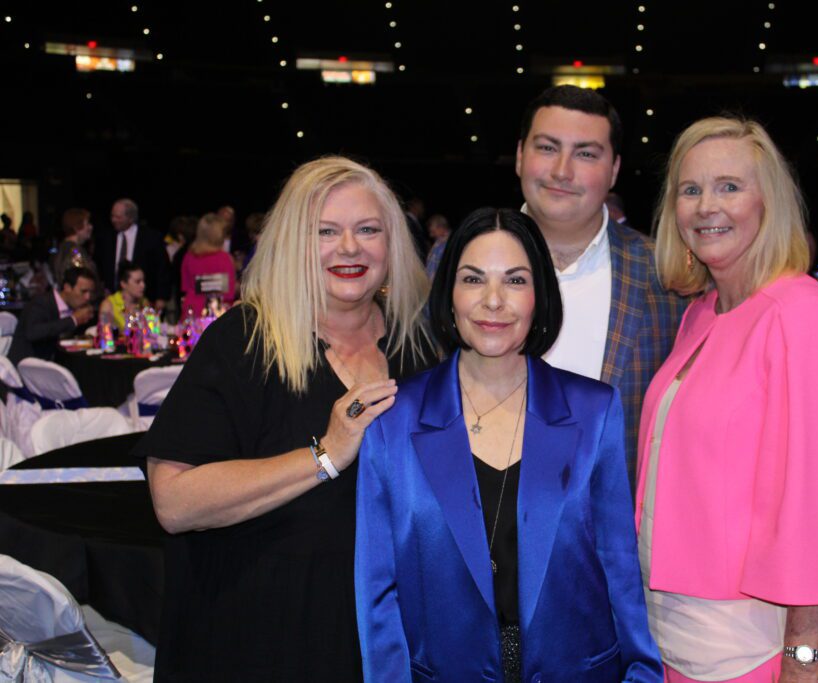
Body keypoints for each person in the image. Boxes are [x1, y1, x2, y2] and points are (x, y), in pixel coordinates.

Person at [134, 156, 436, 681]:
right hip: (256, 639)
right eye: (326, 231)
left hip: (384, 641)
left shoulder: (422, 347)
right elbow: (174, 503)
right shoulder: (242, 342)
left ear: (392, 243)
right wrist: (325, 455)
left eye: (368, 229)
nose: (349, 247)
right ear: (293, 243)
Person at [356, 208, 661, 682]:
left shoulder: (593, 411)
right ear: (449, 295)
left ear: (540, 296)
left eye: (515, 281)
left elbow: (619, 571)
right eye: (473, 279)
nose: (493, 301)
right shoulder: (392, 422)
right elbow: (379, 595)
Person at [637, 117, 818, 683]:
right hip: (665, 632)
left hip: (747, 648)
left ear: (769, 203)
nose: (706, 206)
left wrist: (803, 659)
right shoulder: (700, 314)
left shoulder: (802, 312)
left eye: (729, 187)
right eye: (691, 189)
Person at [429, 85, 685, 481]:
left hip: (610, 514)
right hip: (474, 505)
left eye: (586, 154)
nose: (562, 170)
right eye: (547, 148)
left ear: (614, 169)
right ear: (520, 156)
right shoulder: (451, 259)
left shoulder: (665, 272)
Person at [8, 267, 96, 365]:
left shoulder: (80, 309)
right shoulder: (41, 303)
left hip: (60, 363)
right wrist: (73, 320)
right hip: (26, 366)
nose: (88, 297)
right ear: (67, 287)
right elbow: (32, 333)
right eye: (83, 291)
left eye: (91, 292)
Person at [96, 198, 171, 307]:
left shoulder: (151, 237)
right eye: (112, 216)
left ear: (131, 218)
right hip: (113, 300)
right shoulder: (106, 237)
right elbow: (100, 266)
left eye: (118, 217)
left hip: (145, 301)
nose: (113, 220)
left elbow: (162, 270)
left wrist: (161, 298)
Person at [179, 212, 236, 315]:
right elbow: (229, 294)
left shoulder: (189, 256)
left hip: (192, 310)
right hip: (216, 311)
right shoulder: (224, 259)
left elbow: (185, 286)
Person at [51, 208, 97, 287]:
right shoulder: (75, 251)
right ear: (77, 227)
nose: (91, 227)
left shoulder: (64, 247)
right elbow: (84, 278)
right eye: (87, 224)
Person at [99, 260, 150, 330]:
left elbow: (155, 331)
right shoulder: (108, 305)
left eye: (143, 281)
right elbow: (105, 332)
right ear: (123, 284)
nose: (143, 285)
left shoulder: (145, 303)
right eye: (137, 282)